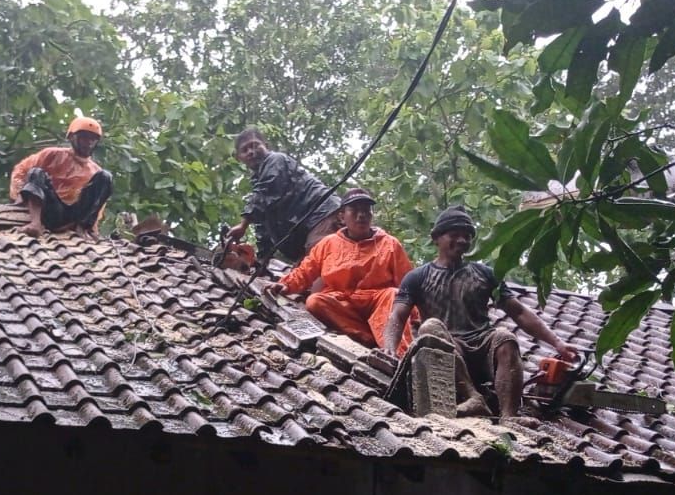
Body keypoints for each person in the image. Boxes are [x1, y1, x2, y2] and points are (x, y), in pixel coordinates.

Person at [382, 205, 579, 418]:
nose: (462, 241)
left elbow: (519, 312)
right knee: (429, 327)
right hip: (450, 352)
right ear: (436, 238)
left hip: (483, 349)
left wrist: (557, 342)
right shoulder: (417, 277)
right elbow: (398, 315)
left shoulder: (484, 274)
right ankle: (472, 397)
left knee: (505, 336)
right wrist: (389, 348)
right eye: (454, 235)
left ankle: (509, 416)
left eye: (466, 236)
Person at [265, 188, 418, 354]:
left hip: (377, 300)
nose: (361, 215)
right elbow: (306, 270)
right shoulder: (328, 243)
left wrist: (417, 318)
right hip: (343, 303)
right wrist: (285, 285)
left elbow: (407, 285)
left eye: (366, 210)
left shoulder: (390, 244)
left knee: (393, 295)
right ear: (342, 216)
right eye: (355, 210)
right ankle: (368, 337)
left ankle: (399, 353)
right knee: (314, 301)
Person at [225, 128, 342, 263]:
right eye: (245, 150)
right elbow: (264, 225)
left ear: (266, 146)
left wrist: (243, 225)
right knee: (302, 272)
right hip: (309, 227)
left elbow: (265, 193)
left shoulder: (275, 160)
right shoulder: (258, 181)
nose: (251, 152)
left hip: (323, 214)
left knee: (317, 261)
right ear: (239, 158)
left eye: (255, 145)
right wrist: (263, 258)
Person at [9, 116, 113, 239]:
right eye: (84, 137)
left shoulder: (96, 171)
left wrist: (93, 228)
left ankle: (83, 228)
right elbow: (21, 171)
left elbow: (97, 206)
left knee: (106, 177)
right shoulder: (52, 154)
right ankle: (35, 224)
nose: (88, 142)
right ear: (71, 137)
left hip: (75, 217)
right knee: (35, 172)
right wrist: (20, 196)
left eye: (92, 139)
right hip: (50, 209)